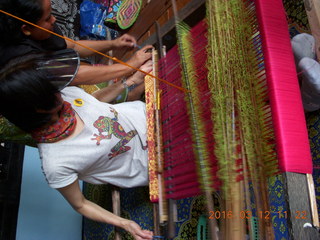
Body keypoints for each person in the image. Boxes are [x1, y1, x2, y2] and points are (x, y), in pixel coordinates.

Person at [0, 53, 153, 240]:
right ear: (39, 108)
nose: (59, 87)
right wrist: (124, 223)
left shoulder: (63, 96)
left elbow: (94, 101)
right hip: (152, 162)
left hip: (148, 115)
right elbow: (80, 204)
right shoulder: (56, 163)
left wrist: (131, 81)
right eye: (50, 88)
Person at [0, 0, 152, 86]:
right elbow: (76, 75)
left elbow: (74, 46)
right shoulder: (21, 60)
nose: (53, 20)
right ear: (26, 29)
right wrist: (131, 65)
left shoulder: (40, 29)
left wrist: (114, 43)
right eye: (47, 19)